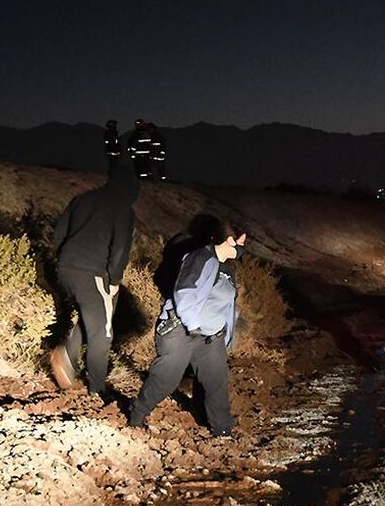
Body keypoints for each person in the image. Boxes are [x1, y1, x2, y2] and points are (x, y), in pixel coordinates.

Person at [128, 221, 246, 437]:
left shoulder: (228, 270)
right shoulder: (200, 257)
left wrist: (228, 332)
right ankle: (137, 414)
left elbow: (227, 304)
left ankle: (222, 429)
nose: (242, 249)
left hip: (211, 336)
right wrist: (193, 325)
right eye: (241, 243)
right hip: (181, 329)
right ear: (229, 240)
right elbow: (184, 292)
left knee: (216, 380)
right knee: (167, 376)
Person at [49, 159, 140, 399]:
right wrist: (114, 281)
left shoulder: (82, 199)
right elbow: (120, 249)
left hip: (65, 269)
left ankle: (66, 357)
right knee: (103, 332)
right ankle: (97, 388)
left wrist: (65, 260)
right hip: (92, 273)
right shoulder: (123, 208)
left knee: (91, 318)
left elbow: (58, 235)